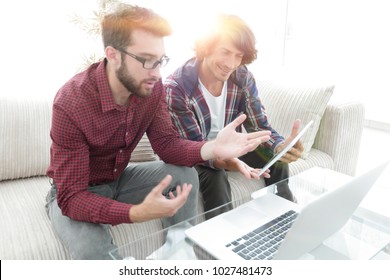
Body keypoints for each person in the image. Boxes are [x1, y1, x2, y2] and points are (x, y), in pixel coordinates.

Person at [45, 5, 271, 260]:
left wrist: (212, 148)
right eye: (146, 60)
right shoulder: (71, 102)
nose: (156, 73)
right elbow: (72, 198)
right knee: (92, 252)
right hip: (79, 190)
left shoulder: (152, 87)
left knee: (184, 175)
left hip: (120, 178)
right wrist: (135, 213)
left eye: (160, 60)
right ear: (113, 54)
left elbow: (166, 144)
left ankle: (179, 254)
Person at [164, 14, 304, 219]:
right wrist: (229, 161)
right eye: (225, 52)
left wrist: (280, 147)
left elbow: (258, 126)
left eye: (238, 55)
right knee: (216, 177)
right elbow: (194, 149)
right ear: (206, 47)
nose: (231, 63)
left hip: (232, 147)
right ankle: (222, 238)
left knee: (276, 158)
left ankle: (285, 219)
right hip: (198, 155)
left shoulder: (242, 76)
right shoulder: (177, 88)